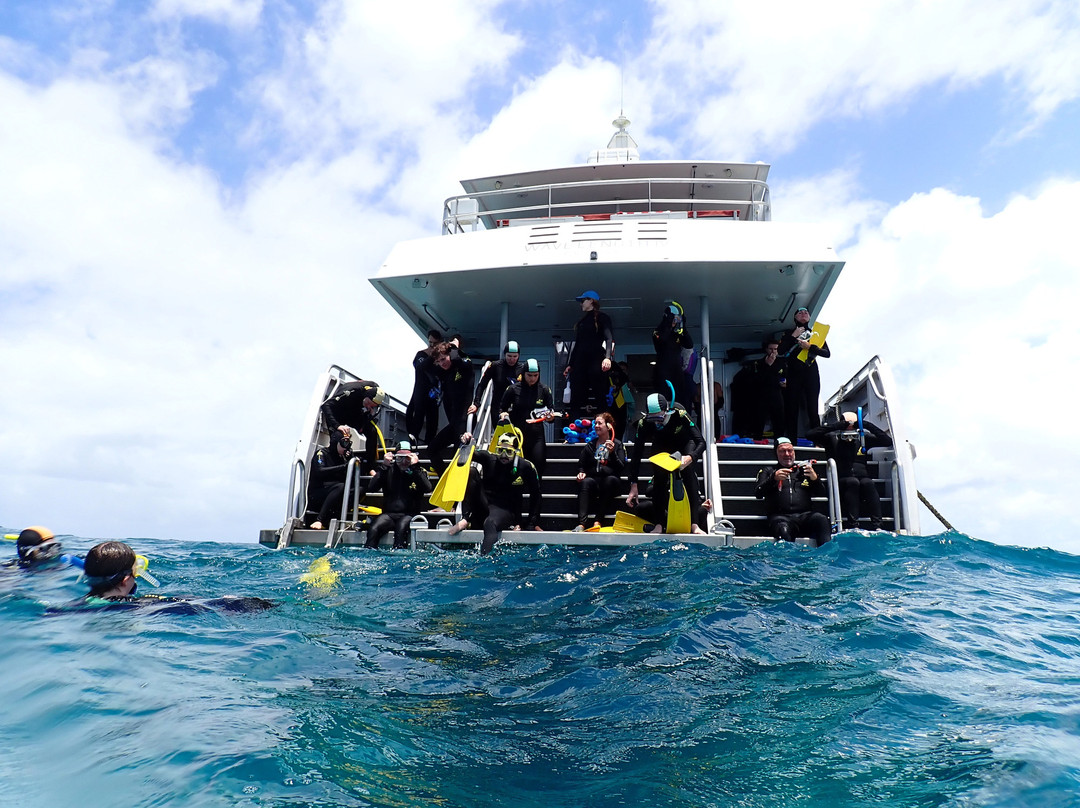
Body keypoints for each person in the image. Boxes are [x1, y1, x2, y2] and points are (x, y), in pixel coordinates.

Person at [625, 394, 707, 534]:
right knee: (659, 477)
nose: (657, 423)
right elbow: (636, 455)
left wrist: (691, 457)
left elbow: (701, 442)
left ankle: (694, 525)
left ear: (667, 411)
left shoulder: (679, 412)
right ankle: (658, 524)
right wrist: (633, 484)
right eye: (653, 419)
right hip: (661, 445)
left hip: (684, 443)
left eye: (659, 418)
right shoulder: (644, 423)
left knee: (688, 473)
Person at [449, 431, 541, 554]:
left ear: (516, 453)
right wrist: (466, 442)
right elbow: (466, 455)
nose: (503, 456)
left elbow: (536, 495)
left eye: (509, 452)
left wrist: (531, 524)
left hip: (506, 511)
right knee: (471, 471)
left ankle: (484, 561)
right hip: (484, 505)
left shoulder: (525, 467)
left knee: (489, 523)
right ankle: (465, 518)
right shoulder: (489, 459)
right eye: (500, 451)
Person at [808, 412, 893, 531]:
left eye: (854, 425)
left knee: (868, 483)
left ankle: (878, 525)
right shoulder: (832, 438)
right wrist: (836, 426)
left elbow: (887, 441)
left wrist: (867, 425)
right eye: (848, 424)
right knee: (853, 482)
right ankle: (853, 525)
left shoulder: (862, 438)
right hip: (842, 478)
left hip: (862, 477)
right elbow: (810, 434)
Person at [754, 437, 831, 546]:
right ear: (776, 453)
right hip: (780, 517)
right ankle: (788, 560)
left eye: (790, 450)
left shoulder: (805, 470)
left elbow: (822, 493)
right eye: (782, 451)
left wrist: (815, 479)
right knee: (783, 529)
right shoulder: (768, 471)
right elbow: (758, 493)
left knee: (822, 520)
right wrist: (773, 479)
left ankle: (826, 556)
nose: (787, 454)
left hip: (804, 516)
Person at [364, 440, 433, 548]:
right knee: (374, 528)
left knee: (400, 528)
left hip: (409, 514)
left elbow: (428, 488)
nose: (403, 462)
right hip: (389, 515)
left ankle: (399, 555)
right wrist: (384, 467)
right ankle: (368, 555)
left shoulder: (418, 471)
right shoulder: (388, 470)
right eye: (400, 458)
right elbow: (371, 488)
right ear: (395, 458)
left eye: (407, 458)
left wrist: (415, 468)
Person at [778, 307, 830, 439]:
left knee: (813, 408)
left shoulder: (816, 333)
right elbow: (781, 351)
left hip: (810, 373)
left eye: (806, 312)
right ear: (795, 317)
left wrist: (810, 347)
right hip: (793, 374)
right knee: (792, 409)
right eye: (800, 312)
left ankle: (818, 441)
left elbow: (827, 353)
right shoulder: (788, 333)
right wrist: (794, 335)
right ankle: (791, 442)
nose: (803, 314)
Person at [499, 358, 555, 479]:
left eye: (535, 375)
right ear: (523, 374)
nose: (532, 378)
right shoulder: (513, 389)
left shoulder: (544, 390)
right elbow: (502, 408)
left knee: (538, 465)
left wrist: (550, 418)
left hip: (536, 435)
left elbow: (551, 412)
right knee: (515, 468)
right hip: (517, 434)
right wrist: (503, 414)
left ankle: (536, 493)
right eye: (529, 375)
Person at [428, 342, 477, 476]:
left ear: (450, 355)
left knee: (458, 456)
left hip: (465, 420)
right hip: (454, 423)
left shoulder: (464, 367)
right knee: (431, 449)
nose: (442, 363)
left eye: (443, 359)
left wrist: (453, 347)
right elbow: (424, 366)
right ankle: (444, 476)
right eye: (438, 361)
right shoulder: (444, 372)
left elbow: (458, 359)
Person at [565, 290, 615, 420]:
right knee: (576, 396)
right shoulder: (582, 322)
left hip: (596, 361)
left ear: (591, 301)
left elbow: (609, 339)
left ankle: (604, 426)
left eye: (583, 301)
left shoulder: (602, 318)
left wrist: (607, 358)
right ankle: (573, 427)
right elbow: (578, 344)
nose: (581, 304)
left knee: (600, 395)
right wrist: (570, 364)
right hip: (580, 363)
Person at [574, 412, 626, 530]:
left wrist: (612, 454)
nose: (596, 426)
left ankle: (598, 520)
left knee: (609, 480)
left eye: (599, 423)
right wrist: (581, 472)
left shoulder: (617, 444)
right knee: (585, 482)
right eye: (595, 423)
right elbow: (581, 464)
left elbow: (621, 467)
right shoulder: (591, 445)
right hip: (595, 481)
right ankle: (581, 523)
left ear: (608, 426)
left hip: (611, 482)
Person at [320, 380, 388, 470]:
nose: (369, 407)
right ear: (367, 396)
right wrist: (337, 426)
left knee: (372, 431)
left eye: (372, 406)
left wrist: (368, 412)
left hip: (353, 411)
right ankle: (336, 467)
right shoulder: (351, 391)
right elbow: (326, 405)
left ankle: (370, 466)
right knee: (338, 438)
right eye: (368, 404)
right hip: (337, 412)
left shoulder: (374, 387)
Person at [306, 431, 362, 530]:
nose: (346, 447)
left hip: (335, 493)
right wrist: (344, 466)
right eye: (344, 443)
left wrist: (351, 460)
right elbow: (320, 471)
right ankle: (320, 519)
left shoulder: (343, 457)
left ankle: (338, 516)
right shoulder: (321, 453)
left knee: (360, 489)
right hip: (318, 492)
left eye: (348, 443)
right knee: (340, 486)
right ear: (335, 443)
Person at [470, 340, 525, 426]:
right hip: (498, 405)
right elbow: (482, 385)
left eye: (515, 356)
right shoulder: (495, 366)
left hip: (516, 407)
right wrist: (476, 403)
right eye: (509, 356)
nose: (512, 359)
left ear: (519, 356)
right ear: (504, 355)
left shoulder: (522, 369)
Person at [405, 329, 443, 445]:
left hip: (433, 395)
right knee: (417, 418)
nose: (432, 346)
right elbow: (421, 367)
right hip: (420, 393)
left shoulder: (441, 360)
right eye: (430, 342)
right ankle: (412, 443)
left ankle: (429, 445)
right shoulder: (421, 354)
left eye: (435, 343)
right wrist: (432, 356)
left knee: (433, 422)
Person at [653, 301, 693, 406]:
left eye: (676, 319)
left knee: (679, 398)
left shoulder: (676, 334)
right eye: (673, 319)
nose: (674, 322)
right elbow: (663, 339)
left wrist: (684, 327)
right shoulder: (657, 332)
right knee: (664, 397)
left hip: (676, 371)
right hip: (663, 370)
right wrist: (668, 322)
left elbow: (689, 344)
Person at [748, 338, 786, 439]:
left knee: (779, 421)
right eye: (771, 349)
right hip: (762, 396)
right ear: (766, 349)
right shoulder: (758, 363)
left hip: (777, 395)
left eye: (775, 349)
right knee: (759, 420)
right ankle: (757, 440)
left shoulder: (782, 363)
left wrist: (785, 383)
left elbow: (786, 377)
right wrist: (768, 365)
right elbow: (755, 380)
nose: (773, 351)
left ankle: (780, 441)